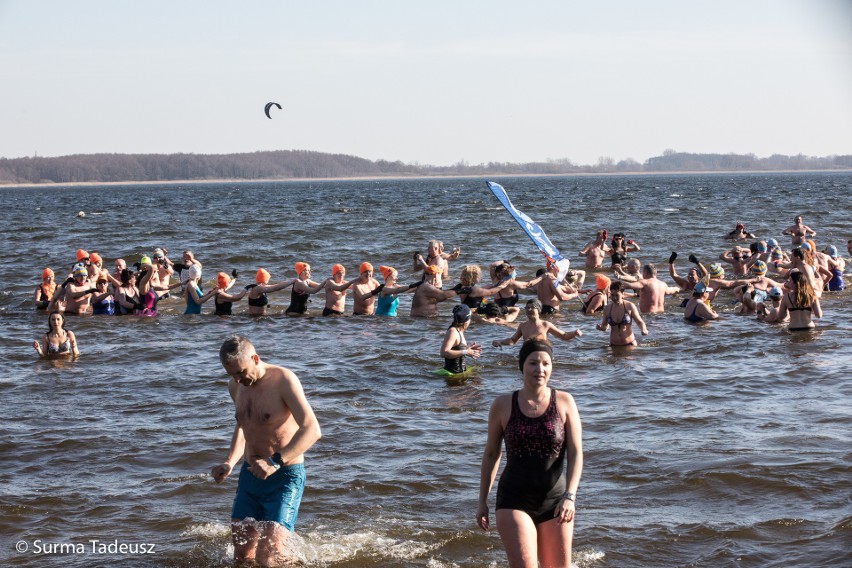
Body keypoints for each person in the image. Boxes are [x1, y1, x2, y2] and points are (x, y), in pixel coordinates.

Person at [211, 336, 321, 566]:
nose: (238, 380)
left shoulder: (283, 380)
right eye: (231, 375)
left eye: (241, 372)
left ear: (255, 358)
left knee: (268, 558)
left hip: (284, 477)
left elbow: (312, 429)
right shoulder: (236, 386)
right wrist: (230, 462)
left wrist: (275, 462)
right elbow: (244, 426)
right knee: (242, 557)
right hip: (250, 477)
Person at [477, 340, 583, 568]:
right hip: (513, 499)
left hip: (556, 500)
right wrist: (482, 501)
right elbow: (491, 454)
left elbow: (576, 453)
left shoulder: (564, 401)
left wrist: (570, 496)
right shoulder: (502, 404)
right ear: (521, 366)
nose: (540, 369)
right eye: (533, 363)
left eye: (546, 363)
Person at [493, 299, 582, 348]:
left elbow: (564, 336)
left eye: (532, 307)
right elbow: (512, 341)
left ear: (538, 310)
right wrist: (500, 341)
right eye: (527, 308)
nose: (529, 310)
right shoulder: (523, 326)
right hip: (527, 352)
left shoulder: (546, 325)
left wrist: (574, 333)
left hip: (542, 351)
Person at [597, 281, 648, 347]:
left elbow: (639, 322)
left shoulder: (629, 306)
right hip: (614, 345)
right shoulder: (607, 309)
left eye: (617, 295)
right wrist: (600, 327)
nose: (614, 298)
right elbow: (605, 326)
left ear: (622, 294)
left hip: (629, 344)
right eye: (612, 295)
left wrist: (643, 329)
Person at [440, 304, 482, 374]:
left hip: (459, 372)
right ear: (466, 320)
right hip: (452, 375)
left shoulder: (459, 330)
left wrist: (468, 350)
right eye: (470, 318)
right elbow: (443, 352)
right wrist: (465, 352)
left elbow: (456, 349)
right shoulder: (453, 331)